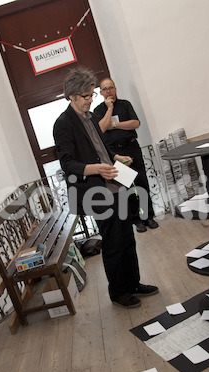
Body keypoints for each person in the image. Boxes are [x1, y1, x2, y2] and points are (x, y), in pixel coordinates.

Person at [53, 67, 159, 308]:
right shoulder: (63, 124)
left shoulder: (89, 118)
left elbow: (100, 148)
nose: (92, 99)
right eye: (86, 96)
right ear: (71, 96)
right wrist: (97, 168)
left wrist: (115, 157)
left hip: (115, 183)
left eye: (92, 95)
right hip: (96, 190)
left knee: (127, 238)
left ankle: (133, 284)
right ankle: (118, 292)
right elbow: (68, 164)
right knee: (112, 243)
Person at [93, 78, 159, 233]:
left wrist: (114, 125)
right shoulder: (98, 111)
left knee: (142, 183)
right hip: (115, 154)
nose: (109, 91)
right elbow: (101, 129)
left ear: (115, 89)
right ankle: (136, 220)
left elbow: (135, 123)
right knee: (127, 187)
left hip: (131, 148)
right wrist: (109, 109)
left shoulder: (125, 104)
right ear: (101, 93)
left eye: (111, 87)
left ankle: (148, 216)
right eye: (105, 89)